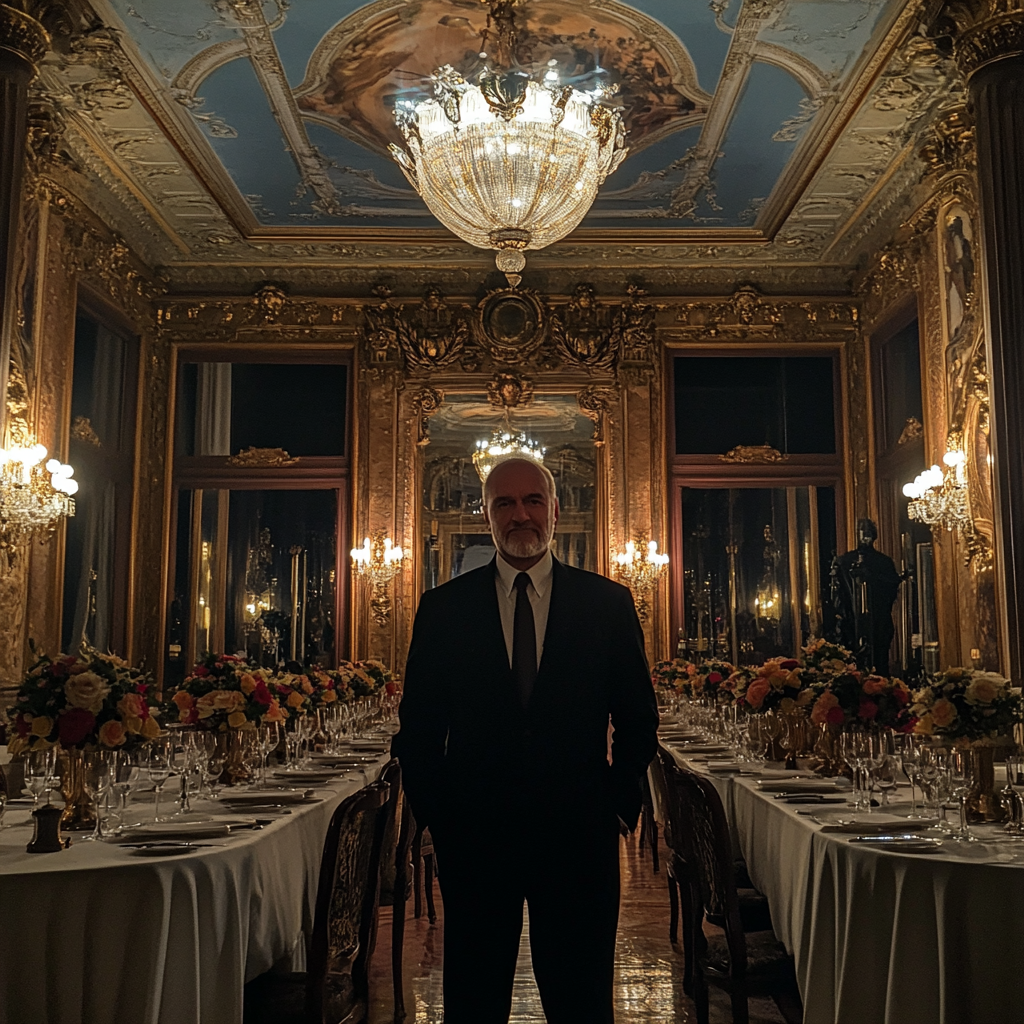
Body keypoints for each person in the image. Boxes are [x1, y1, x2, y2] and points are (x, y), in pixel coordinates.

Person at [392, 457, 658, 1024]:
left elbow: (638, 719)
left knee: (582, 1002)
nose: (520, 515)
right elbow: (417, 732)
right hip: (475, 840)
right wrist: (441, 819)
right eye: (504, 503)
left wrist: (616, 807)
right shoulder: (444, 610)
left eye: (533, 501)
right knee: (473, 1001)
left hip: (579, 838)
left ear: (556, 511)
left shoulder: (606, 605)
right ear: (485, 515)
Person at [831, 518, 903, 673]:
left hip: (878, 620)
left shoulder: (884, 562)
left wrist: (873, 579)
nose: (865, 537)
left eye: (869, 533)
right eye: (862, 532)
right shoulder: (844, 561)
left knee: (879, 662)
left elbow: (891, 588)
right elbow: (838, 595)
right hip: (852, 622)